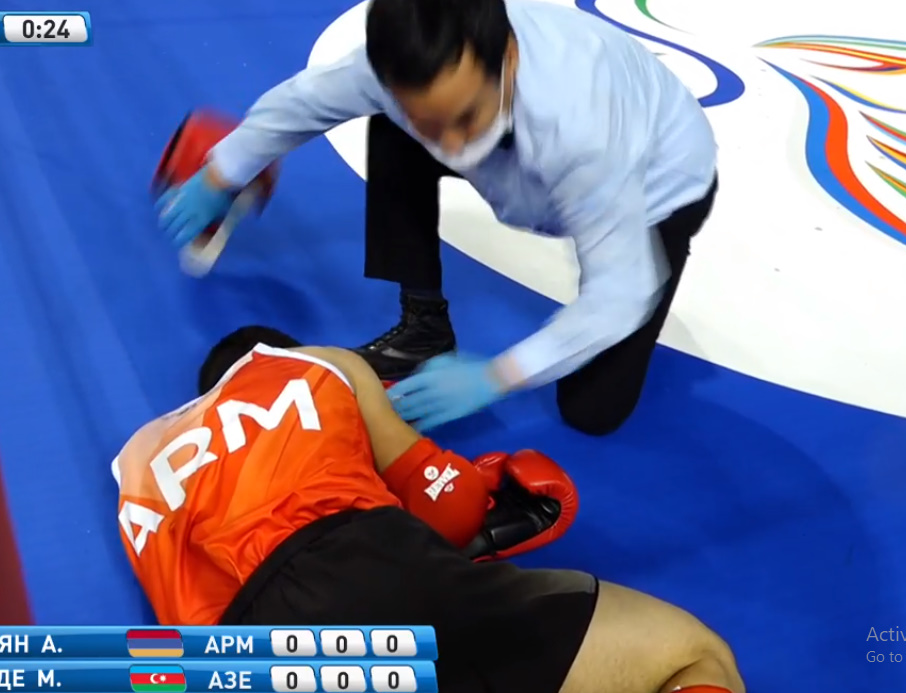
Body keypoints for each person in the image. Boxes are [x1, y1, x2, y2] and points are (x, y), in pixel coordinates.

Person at [156, 0, 720, 436]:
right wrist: (220, 175)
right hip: (540, 148)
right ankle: (423, 325)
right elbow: (301, 104)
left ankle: (665, 258)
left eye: (466, 117)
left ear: (509, 58)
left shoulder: (581, 128)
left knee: (592, 411)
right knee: (394, 129)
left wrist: (497, 376)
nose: (451, 147)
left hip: (657, 187)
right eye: (432, 124)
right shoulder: (398, 70)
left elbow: (618, 295)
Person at [112, 325, 746, 693]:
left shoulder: (134, 465)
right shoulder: (316, 365)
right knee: (690, 654)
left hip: (231, 663)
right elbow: (451, 507)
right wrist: (483, 494)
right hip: (363, 568)